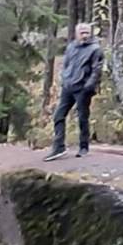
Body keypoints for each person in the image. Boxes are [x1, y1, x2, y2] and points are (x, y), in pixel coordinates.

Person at [47, 23, 104, 159]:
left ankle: (83, 147)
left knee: (82, 118)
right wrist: (64, 79)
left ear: (90, 33)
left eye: (86, 32)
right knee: (58, 116)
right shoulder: (71, 47)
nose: (84, 35)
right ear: (76, 33)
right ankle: (59, 147)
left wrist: (89, 86)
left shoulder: (95, 49)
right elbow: (66, 64)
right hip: (68, 87)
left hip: (83, 88)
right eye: (82, 32)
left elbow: (97, 70)